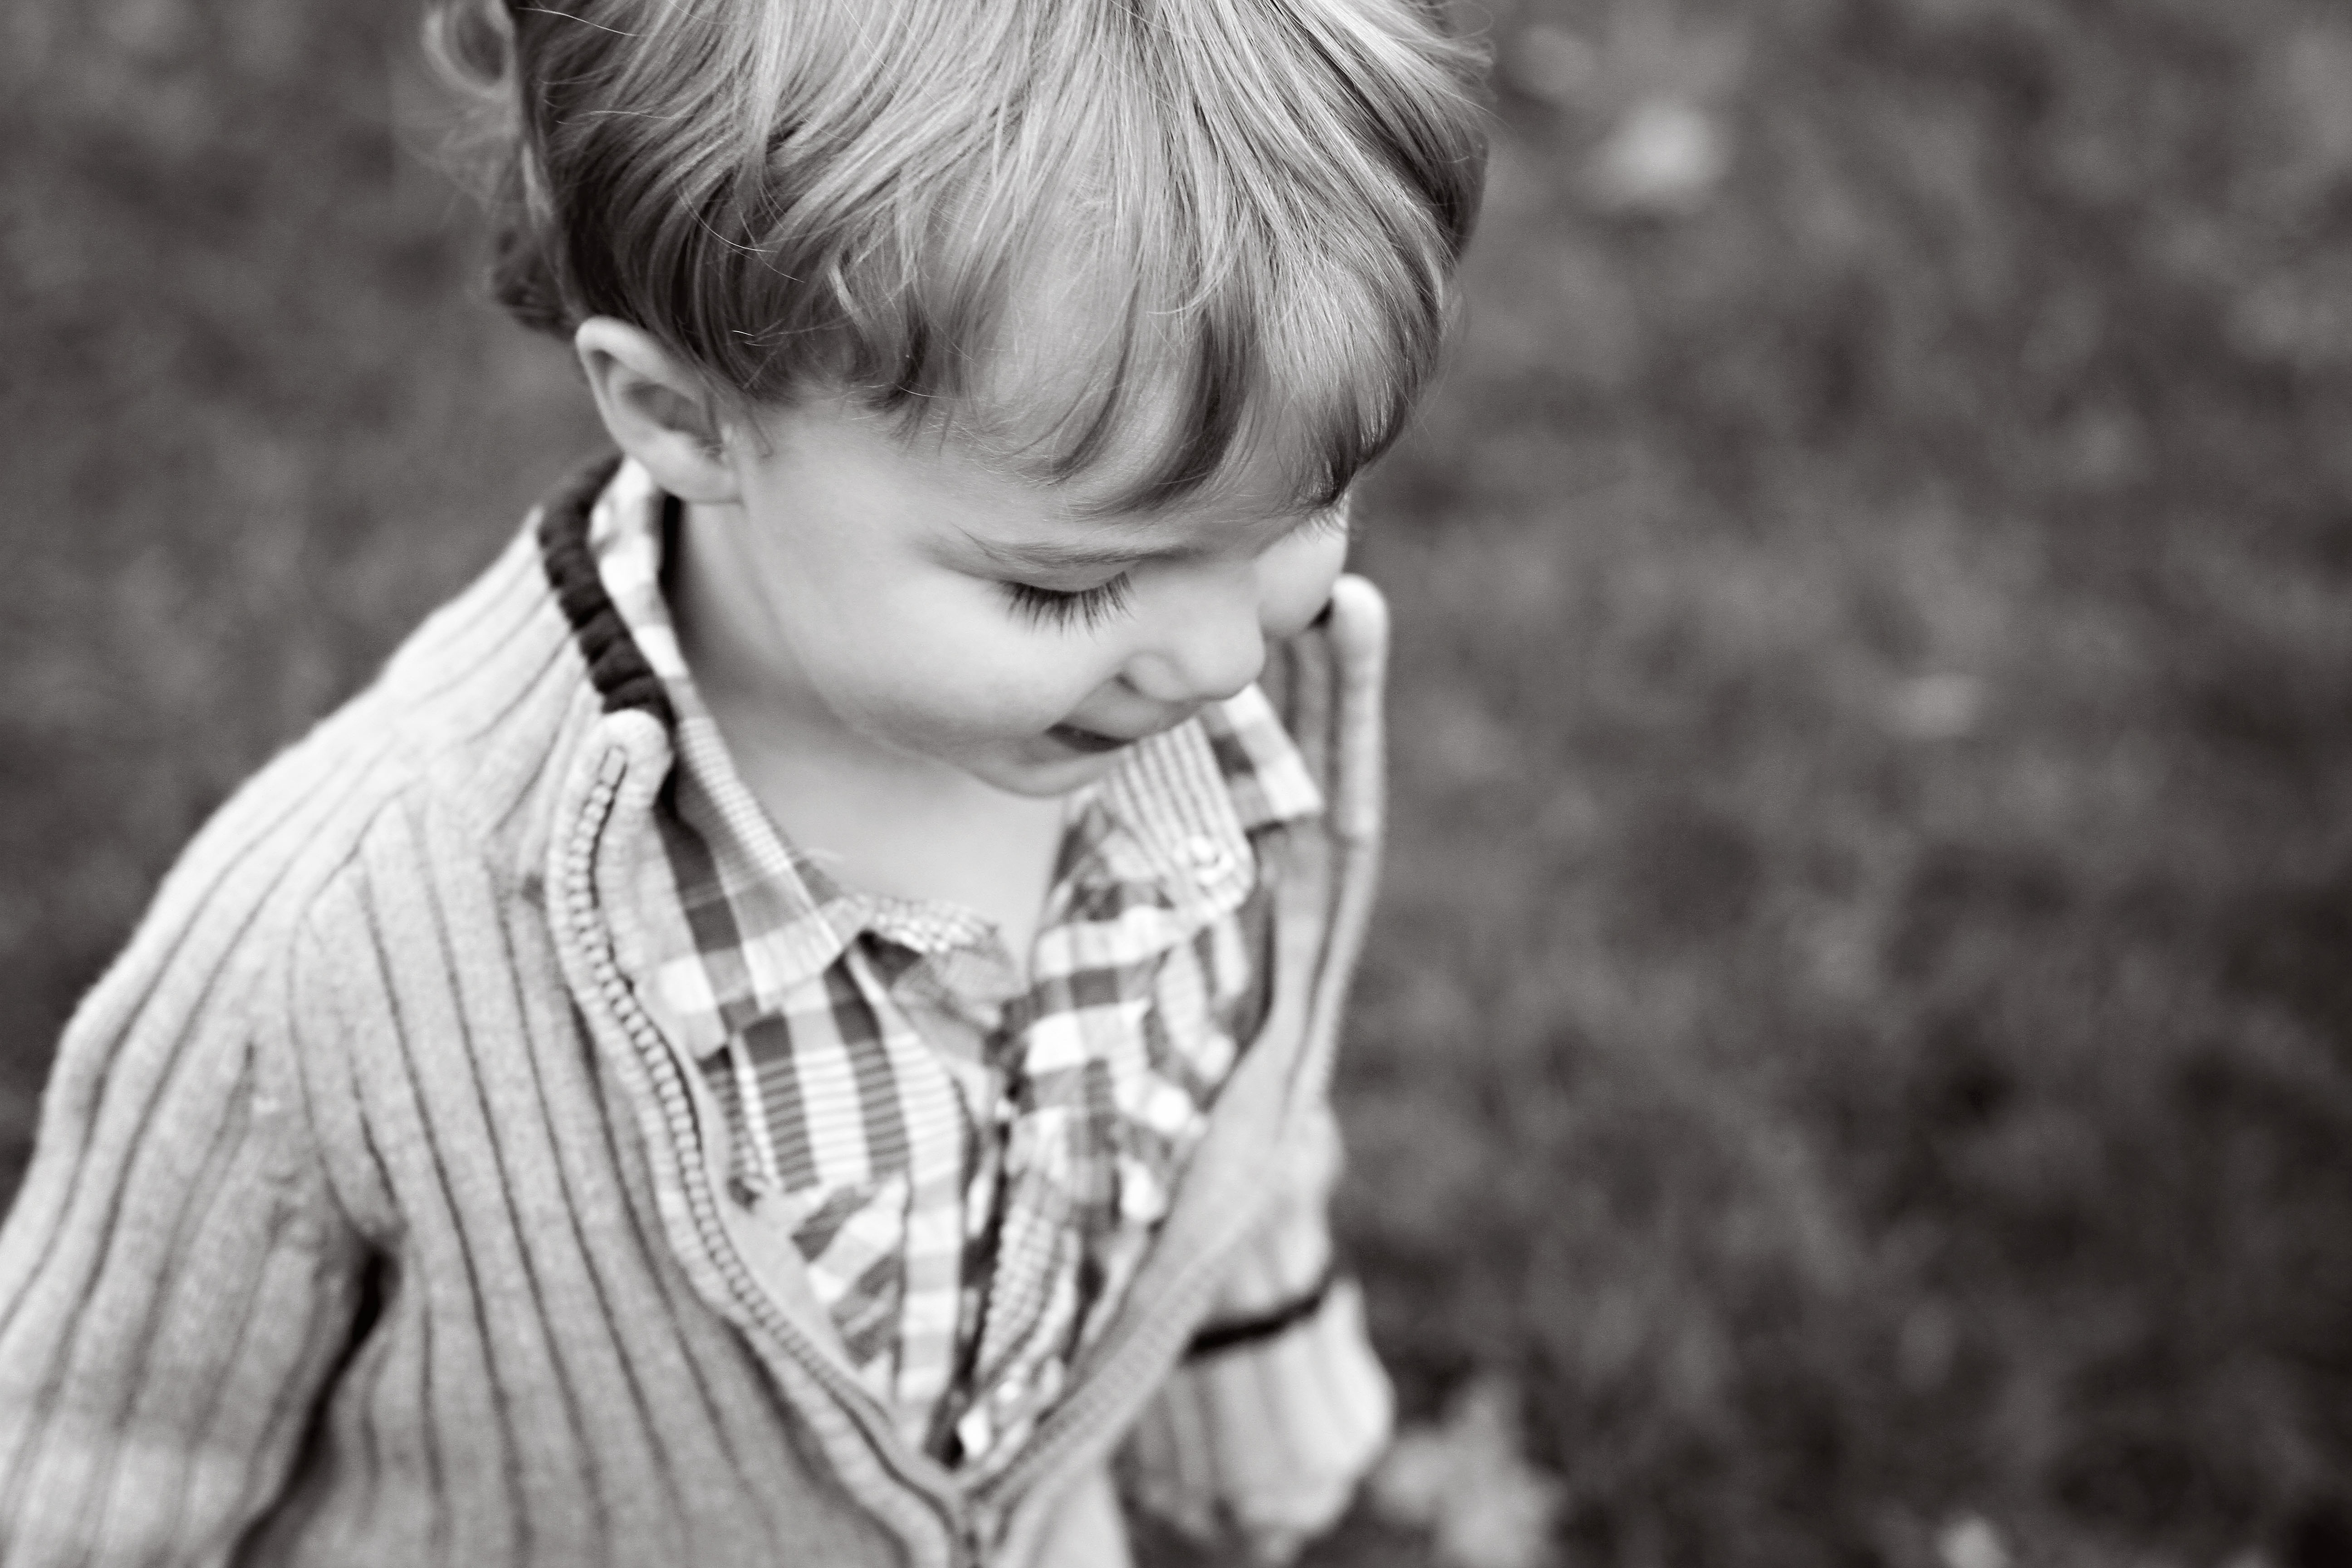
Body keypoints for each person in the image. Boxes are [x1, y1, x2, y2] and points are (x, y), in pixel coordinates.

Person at [0, 0, 1486, 1562]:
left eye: (1309, 506)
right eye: (1069, 584)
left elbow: (1222, 1096)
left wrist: (1263, 1414)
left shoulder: (1204, 759)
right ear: (682, 418)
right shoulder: (333, 957)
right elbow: (91, 1457)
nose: (1226, 659)